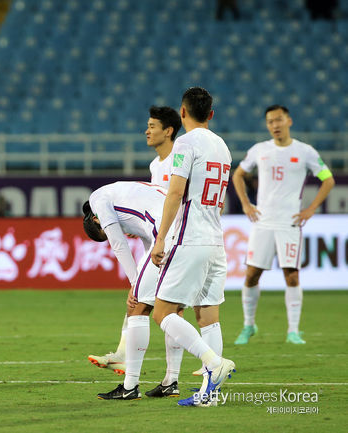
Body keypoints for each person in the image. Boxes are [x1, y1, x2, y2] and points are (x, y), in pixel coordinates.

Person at [88, 107, 186, 393]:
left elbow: (178, 200)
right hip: (161, 232)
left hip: (175, 232)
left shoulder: (180, 158)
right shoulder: (157, 166)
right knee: (169, 306)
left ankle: (208, 360)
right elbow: (150, 206)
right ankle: (171, 378)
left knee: (147, 304)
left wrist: (136, 279)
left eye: (152, 125)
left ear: (168, 130)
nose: (147, 130)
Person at [150, 87, 235, 407]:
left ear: (182, 113)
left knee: (162, 312)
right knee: (208, 315)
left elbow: (175, 194)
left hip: (190, 239)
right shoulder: (223, 147)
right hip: (216, 239)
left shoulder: (185, 143)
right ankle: (209, 395)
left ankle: (214, 364)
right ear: (210, 114)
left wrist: (160, 240)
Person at [232, 105, 334, 346]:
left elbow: (327, 180)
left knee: (292, 276)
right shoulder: (259, 150)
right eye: (270, 121)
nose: (274, 125)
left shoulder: (305, 151)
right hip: (263, 221)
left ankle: (293, 331)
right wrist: (246, 203)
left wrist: (310, 209)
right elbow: (237, 175)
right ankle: (249, 325)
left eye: (278, 120)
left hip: (289, 223)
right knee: (251, 275)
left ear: (289, 120)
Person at [84, 181, 185, 400]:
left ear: (95, 219)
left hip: (166, 231)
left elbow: (118, 244)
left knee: (137, 307)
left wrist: (134, 283)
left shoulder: (97, 200)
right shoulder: (122, 191)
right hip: (188, 229)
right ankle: (171, 381)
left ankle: (130, 387)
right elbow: (149, 238)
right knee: (173, 308)